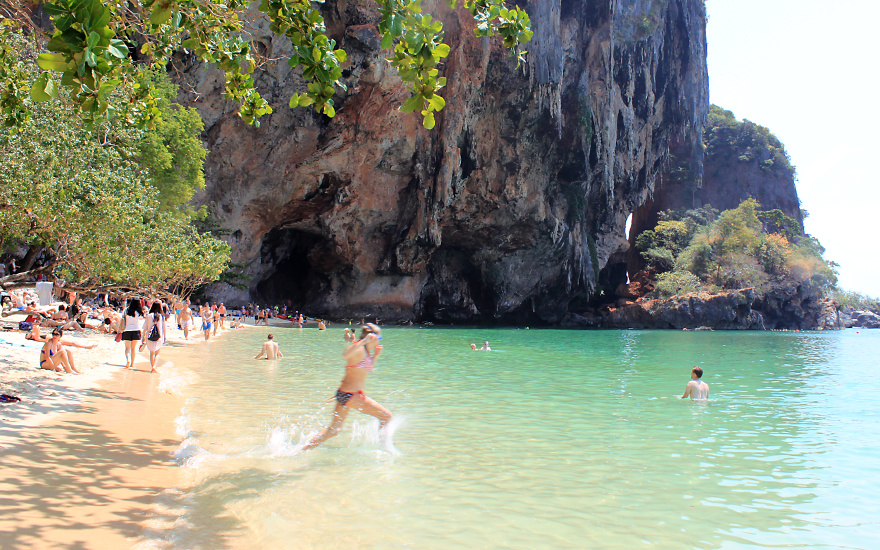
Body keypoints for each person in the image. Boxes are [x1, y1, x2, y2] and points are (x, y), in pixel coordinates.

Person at [303, 323, 391, 451]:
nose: (379, 342)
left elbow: (368, 369)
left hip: (344, 395)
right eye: (379, 338)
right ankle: (386, 449)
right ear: (372, 337)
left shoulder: (365, 352)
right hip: (351, 396)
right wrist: (364, 341)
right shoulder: (359, 349)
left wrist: (376, 356)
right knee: (387, 417)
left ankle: (303, 449)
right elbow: (346, 354)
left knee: (333, 431)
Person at [139, 302, 167, 373]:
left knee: (152, 353)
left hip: (149, 336)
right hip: (159, 337)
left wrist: (143, 337)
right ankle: (154, 367)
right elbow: (164, 328)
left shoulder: (149, 316)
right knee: (157, 353)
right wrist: (165, 337)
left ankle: (152, 367)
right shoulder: (161, 316)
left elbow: (145, 327)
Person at [121, 299, 144, 369]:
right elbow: (141, 318)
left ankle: (127, 360)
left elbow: (122, 318)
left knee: (127, 348)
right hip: (136, 330)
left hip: (127, 330)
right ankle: (132, 363)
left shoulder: (126, 310)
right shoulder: (138, 312)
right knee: (133, 348)